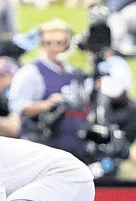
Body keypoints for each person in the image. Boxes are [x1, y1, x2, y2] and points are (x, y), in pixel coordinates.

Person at [8, 19, 88, 161]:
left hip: (76, 144)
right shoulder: (32, 72)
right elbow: (18, 106)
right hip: (46, 145)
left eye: (59, 43)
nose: (54, 47)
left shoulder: (74, 72)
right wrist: (47, 104)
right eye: (48, 43)